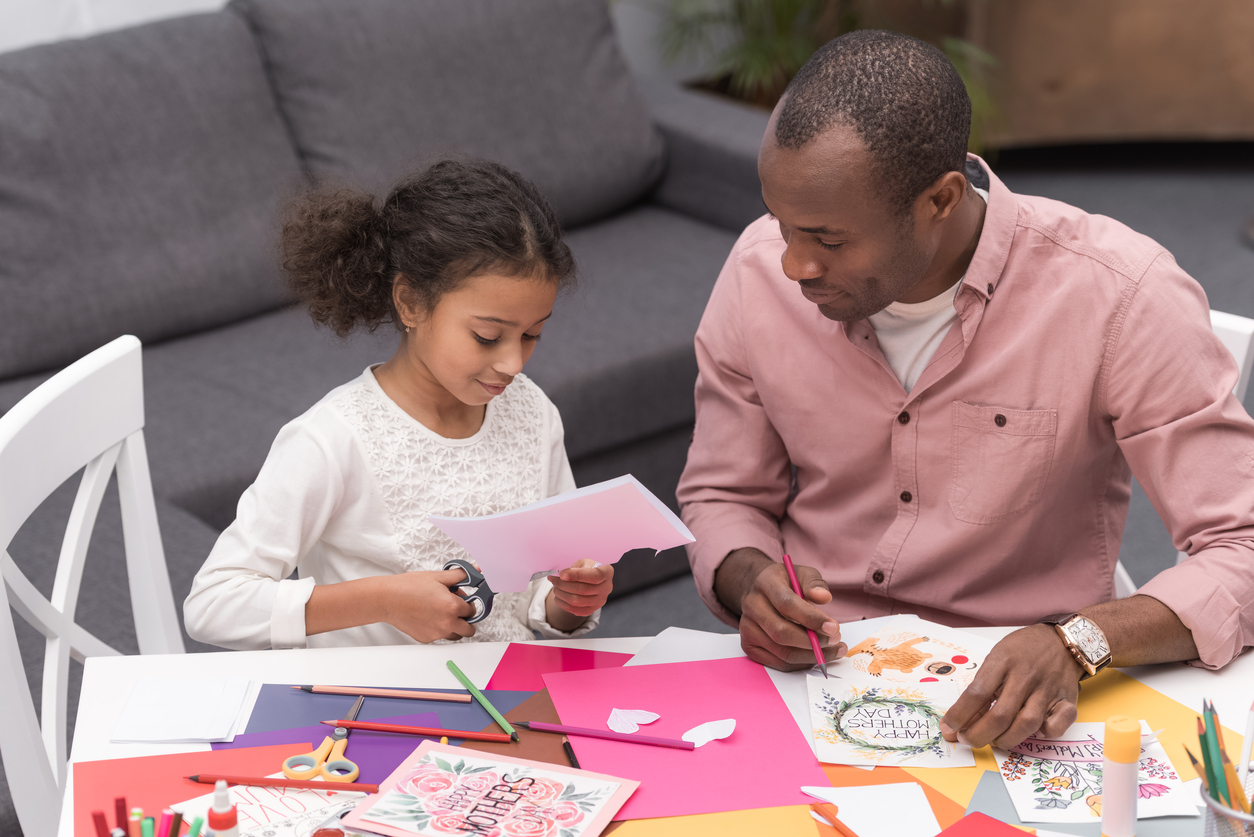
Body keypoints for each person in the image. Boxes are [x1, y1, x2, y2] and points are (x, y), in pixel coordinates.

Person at [677, 31, 1254, 751]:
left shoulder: (1119, 295)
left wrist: (1079, 640)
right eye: (783, 223)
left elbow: (1241, 545)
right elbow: (722, 495)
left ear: (941, 200)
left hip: (1021, 697)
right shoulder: (757, 270)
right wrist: (751, 581)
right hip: (811, 687)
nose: (792, 264)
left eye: (827, 239)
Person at [185, 158, 613, 650]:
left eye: (533, 334)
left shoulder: (531, 412)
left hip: (505, 697)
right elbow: (213, 603)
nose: (514, 364)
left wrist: (569, 602)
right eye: (487, 336)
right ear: (411, 302)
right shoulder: (333, 439)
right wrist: (384, 601)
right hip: (372, 710)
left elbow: (538, 592)